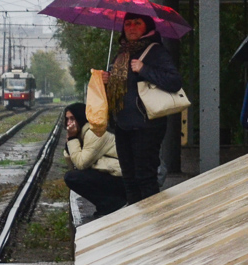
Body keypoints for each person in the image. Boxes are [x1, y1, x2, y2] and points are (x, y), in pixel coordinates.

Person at [102, 12, 182, 205]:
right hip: (123, 125)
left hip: (147, 125)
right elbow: (123, 88)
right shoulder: (122, 53)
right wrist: (108, 80)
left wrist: (144, 69)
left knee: (145, 177)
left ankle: (153, 223)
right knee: (129, 178)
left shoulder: (156, 51)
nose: (131, 27)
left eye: (137, 23)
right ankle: (135, 222)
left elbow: (174, 81)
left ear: (147, 27)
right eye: (128, 24)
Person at [62, 102, 126, 218]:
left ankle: (112, 204)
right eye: (67, 119)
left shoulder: (94, 133)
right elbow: (73, 165)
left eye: (72, 118)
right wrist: (71, 141)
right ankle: (106, 204)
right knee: (73, 176)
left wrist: (72, 139)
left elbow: (81, 164)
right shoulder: (82, 134)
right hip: (111, 175)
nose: (69, 123)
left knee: (72, 177)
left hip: (121, 177)